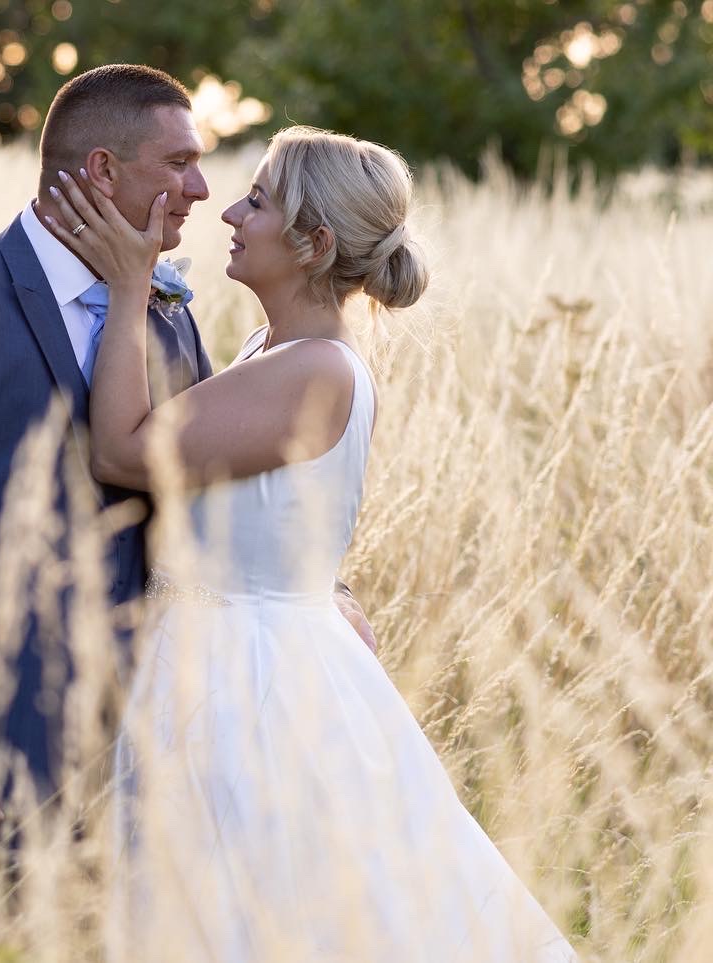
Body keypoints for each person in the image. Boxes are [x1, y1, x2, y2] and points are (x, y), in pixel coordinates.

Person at [41, 126, 576, 960]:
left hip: (249, 682)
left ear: (314, 243)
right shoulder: (275, 350)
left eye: (257, 201)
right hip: (233, 650)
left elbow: (121, 452)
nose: (230, 213)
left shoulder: (315, 368)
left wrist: (128, 280)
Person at [0, 66, 372, 863]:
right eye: (180, 163)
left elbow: (203, 491)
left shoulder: (166, 314)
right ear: (102, 170)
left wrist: (321, 591)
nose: (202, 190)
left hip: (144, 742)